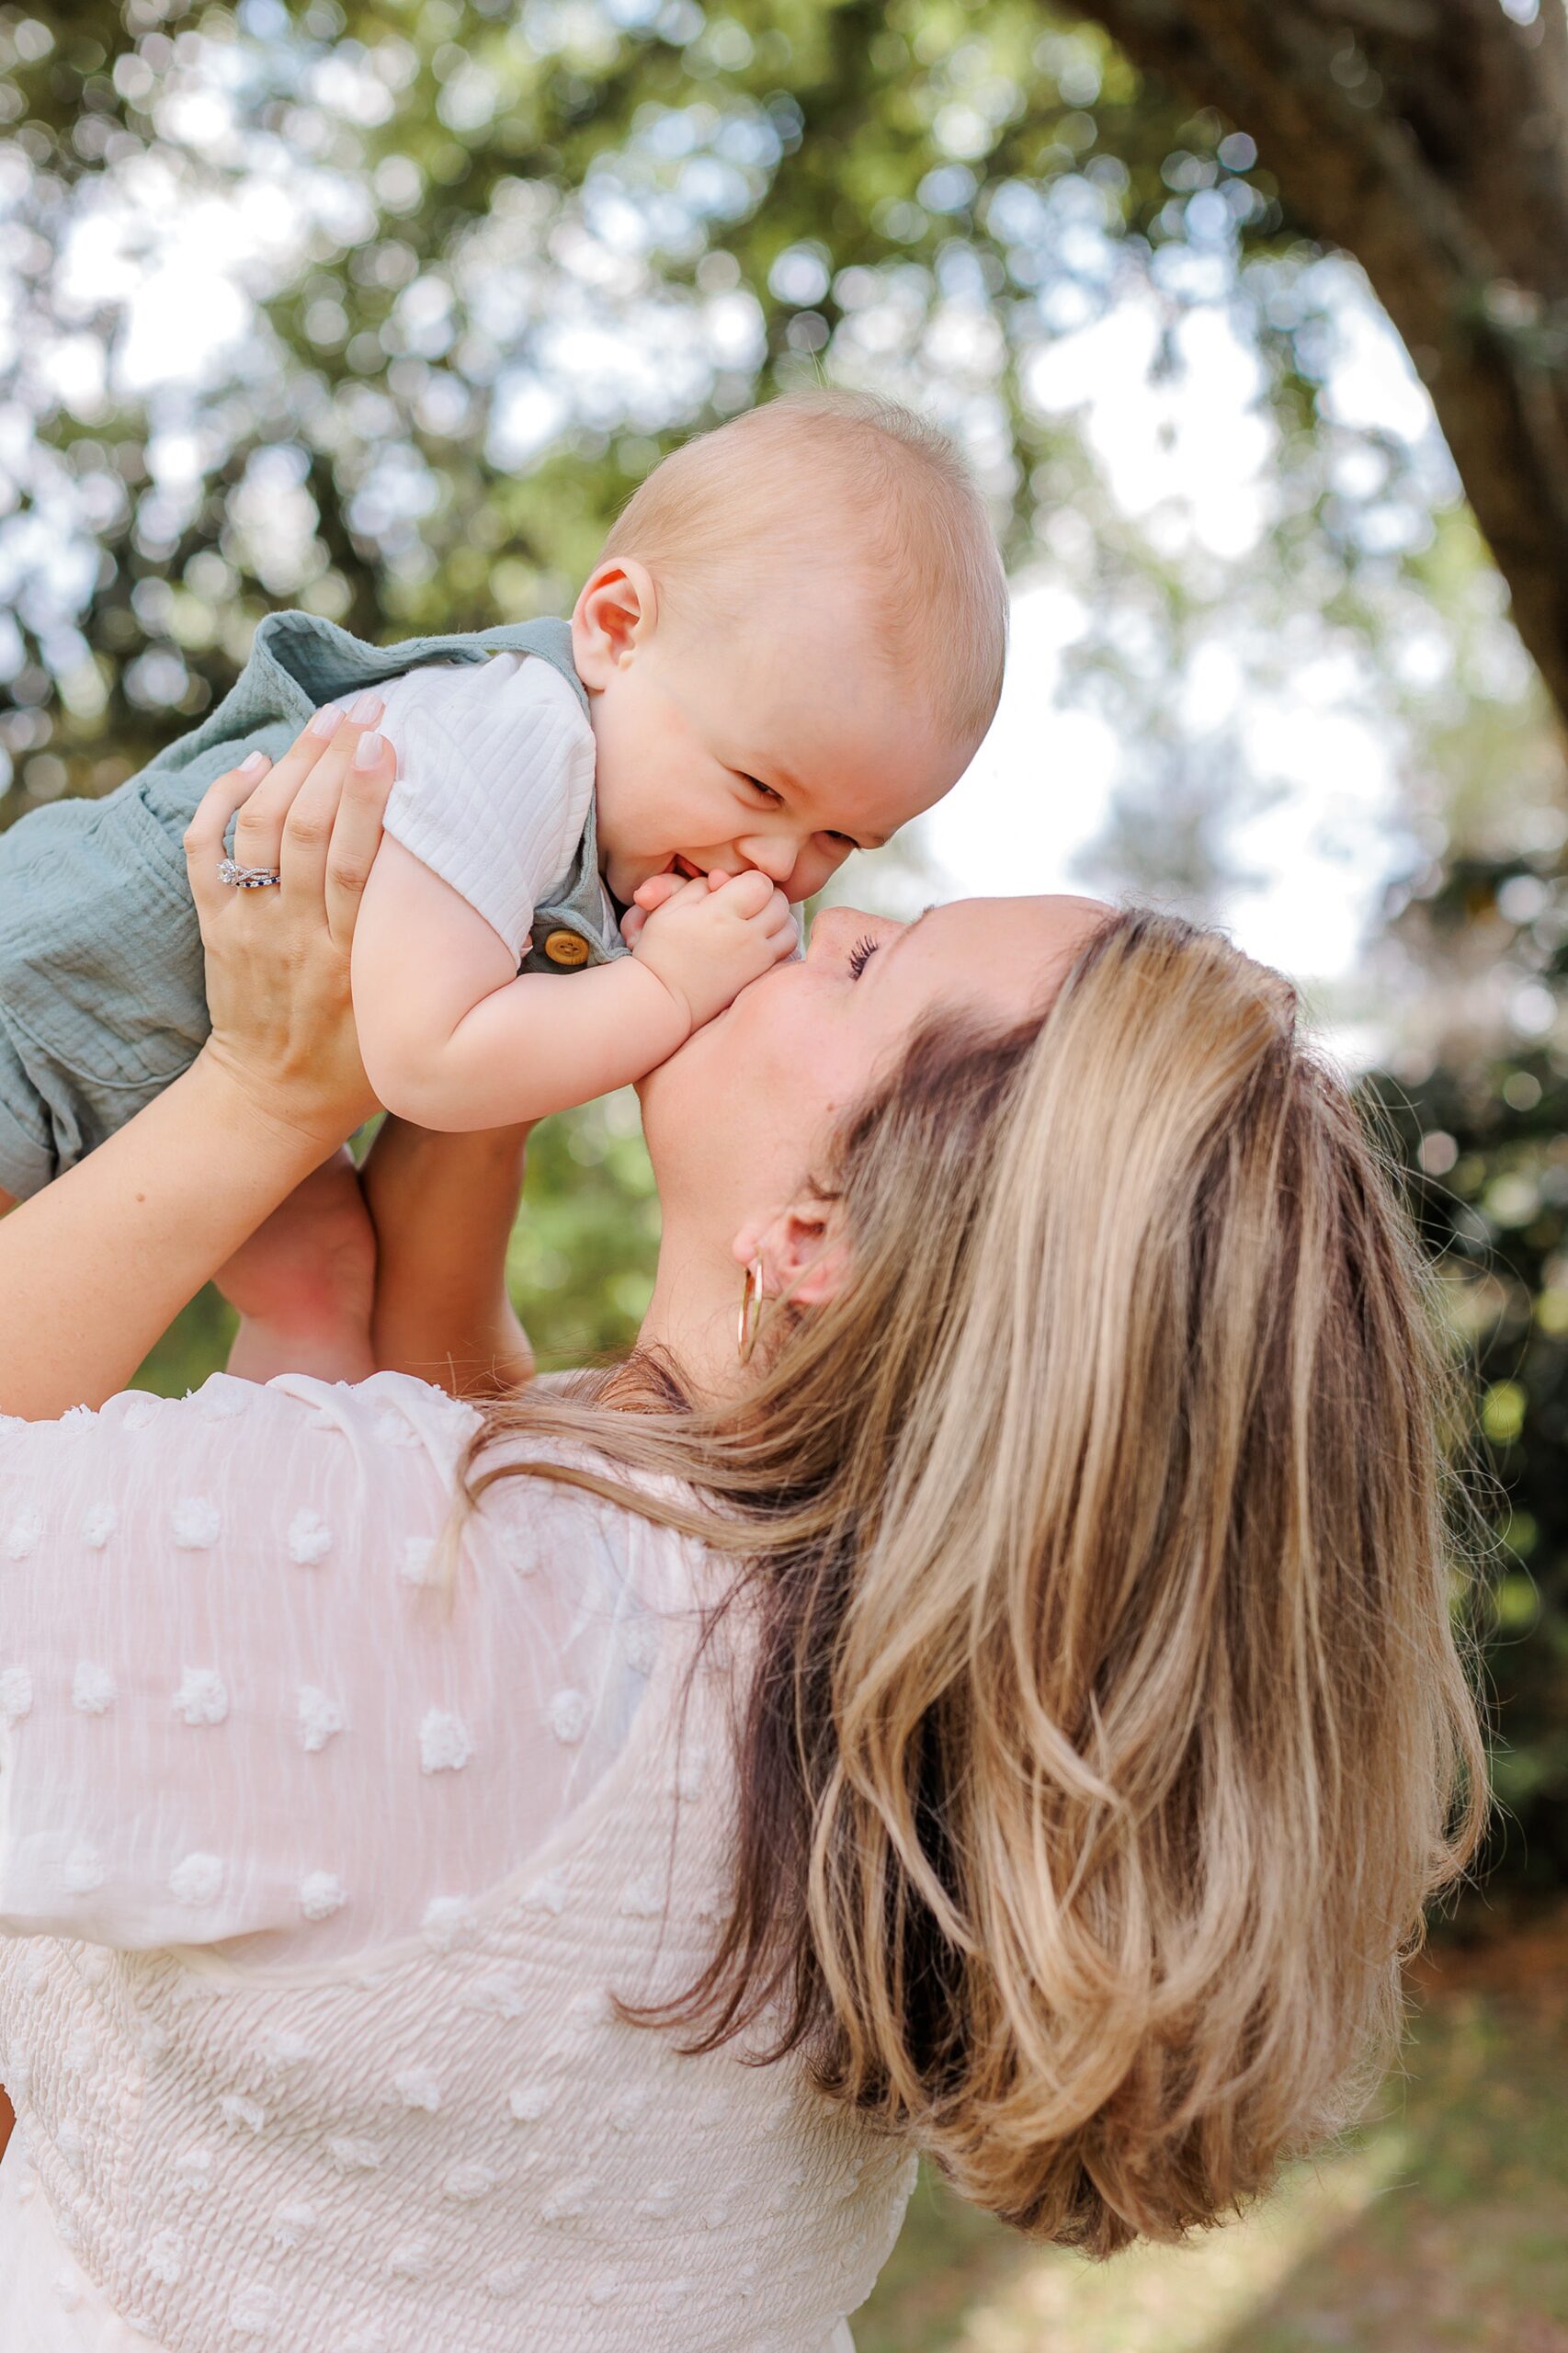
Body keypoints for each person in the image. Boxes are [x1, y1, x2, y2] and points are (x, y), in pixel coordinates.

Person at [0, 707, 1486, 2350]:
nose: (825, 916)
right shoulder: (874, 1715)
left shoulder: (453, 1577)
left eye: (871, 970)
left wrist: (261, 1091)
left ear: (815, 1228)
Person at [0, 391, 1006, 1385]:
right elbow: (424, 1061)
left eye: (840, 835)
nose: (783, 866)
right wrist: (659, 991)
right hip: (43, 1014)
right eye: (757, 785)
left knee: (322, 1286)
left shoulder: (645, 833)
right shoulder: (521, 736)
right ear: (614, 630)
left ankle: (256, 1508)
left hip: (178, 1062)